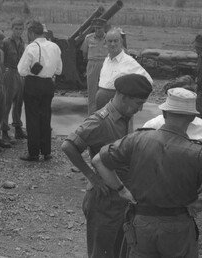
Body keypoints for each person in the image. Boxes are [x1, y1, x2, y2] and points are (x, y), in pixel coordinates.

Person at [92, 87, 202, 258]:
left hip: (141, 224)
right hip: (178, 226)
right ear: (192, 117)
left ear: (164, 113)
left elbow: (98, 161)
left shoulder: (136, 139)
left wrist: (121, 190)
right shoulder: (201, 153)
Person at [62, 74, 153, 258]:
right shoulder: (100, 121)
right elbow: (68, 146)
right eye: (138, 103)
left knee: (119, 250)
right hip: (103, 201)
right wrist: (92, 177)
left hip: (119, 199)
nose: (140, 108)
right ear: (124, 97)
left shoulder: (125, 116)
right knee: (101, 253)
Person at [18, 20, 62, 162]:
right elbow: (59, 70)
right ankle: (46, 151)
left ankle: (33, 152)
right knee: (45, 117)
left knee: (32, 118)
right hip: (48, 83)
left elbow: (22, 70)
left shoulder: (31, 47)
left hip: (33, 84)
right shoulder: (55, 47)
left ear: (31, 32)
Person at [143, 83, 202, 156]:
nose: (177, 122)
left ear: (164, 112)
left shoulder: (151, 127)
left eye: (181, 117)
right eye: (174, 116)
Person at [95, 27, 153, 110]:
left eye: (115, 41)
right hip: (103, 108)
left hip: (119, 107)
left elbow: (148, 81)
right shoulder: (107, 60)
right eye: (110, 41)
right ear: (105, 43)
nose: (113, 44)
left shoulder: (129, 61)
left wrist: (137, 101)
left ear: (121, 42)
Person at [1, 18, 27, 142]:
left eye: (20, 29)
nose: (18, 31)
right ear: (12, 29)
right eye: (16, 29)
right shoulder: (6, 42)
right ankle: (4, 131)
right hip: (9, 72)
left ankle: (17, 129)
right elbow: (1, 59)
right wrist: (3, 74)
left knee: (18, 102)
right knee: (6, 102)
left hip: (19, 73)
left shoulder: (22, 43)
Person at [80, 17, 108, 115]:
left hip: (106, 65)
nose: (97, 30)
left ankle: (104, 116)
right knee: (92, 92)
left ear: (104, 28)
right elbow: (84, 53)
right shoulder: (88, 38)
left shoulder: (109, 38)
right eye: (96, 28)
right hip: (92, 64)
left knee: (106, 91)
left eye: (99, 28)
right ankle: (91, 116)